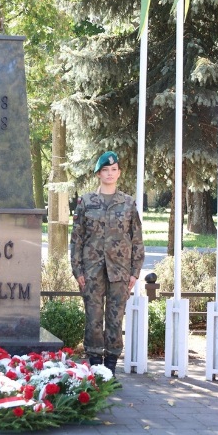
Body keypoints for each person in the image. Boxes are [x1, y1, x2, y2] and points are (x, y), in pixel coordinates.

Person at [70, 151, 145, 378]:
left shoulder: (128, 204)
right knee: (93, 318)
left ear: (119, 173)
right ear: (98, 174)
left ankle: (110, 369)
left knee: (115, 319)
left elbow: (137, 239)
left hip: (120, 272)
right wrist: (78, 270)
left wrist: (135, 272)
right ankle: (95, 367)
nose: (109, 174)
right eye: (105, 170)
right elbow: (77, 239)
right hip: (91, 271)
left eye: (113, 170)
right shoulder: (86, 202)